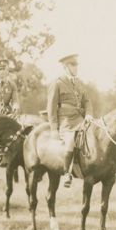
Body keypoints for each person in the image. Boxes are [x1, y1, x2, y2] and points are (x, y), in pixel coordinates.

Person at [47, 53, 90, 188]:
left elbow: (87, 101)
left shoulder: (80, 83)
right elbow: (51, 107)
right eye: (73, 65)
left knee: (93, 135)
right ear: (66, 67)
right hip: (65, 120)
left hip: (80, 118)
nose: (76, 67)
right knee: (71, 140)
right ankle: (67, 173)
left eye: (76, 64)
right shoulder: (57, 83)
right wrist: (54, 128)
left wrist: (89, 114)